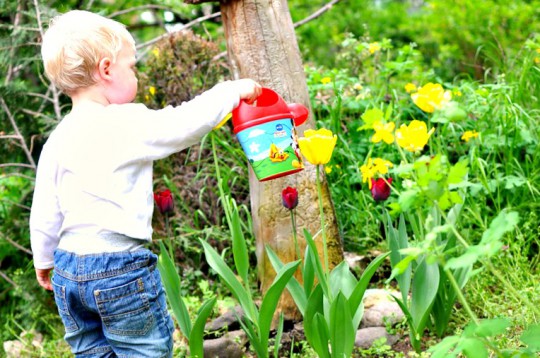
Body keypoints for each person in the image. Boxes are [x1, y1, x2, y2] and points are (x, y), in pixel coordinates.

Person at [30, 9, 261, 357]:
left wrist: (43, 259)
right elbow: (184, 122)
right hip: (119, 268)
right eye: (131, 65)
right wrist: (232, 91)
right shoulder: (124, 122)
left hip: (68, 270)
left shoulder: (57, 139)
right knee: (143, 350)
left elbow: (45, 208)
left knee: (92, 352)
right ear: (106, 69)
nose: (135, 73)